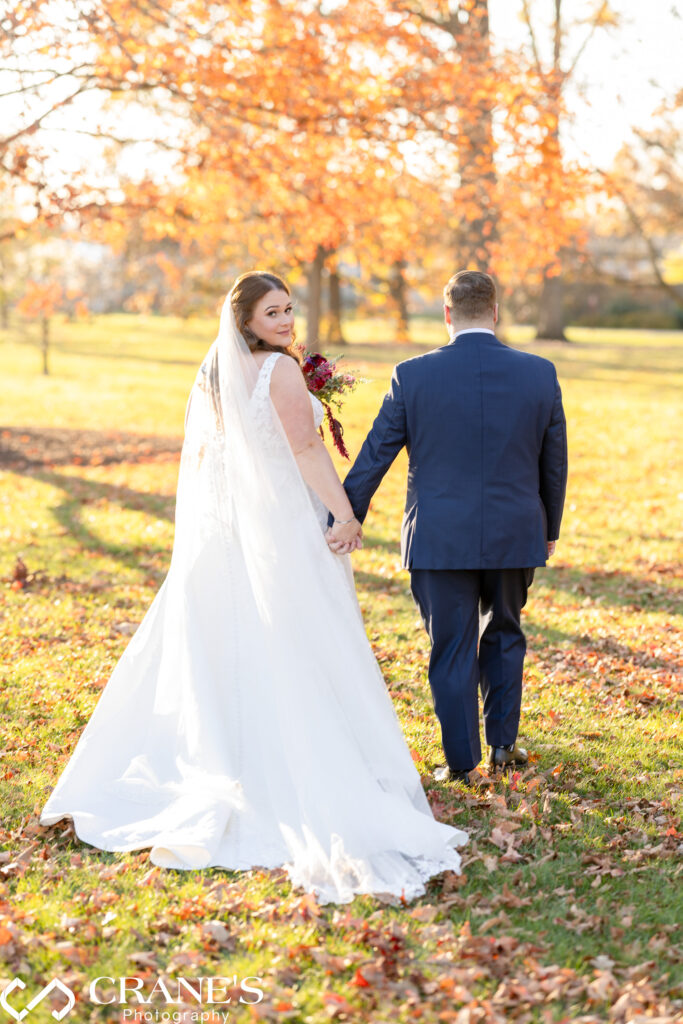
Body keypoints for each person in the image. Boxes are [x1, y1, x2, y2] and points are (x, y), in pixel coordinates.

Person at [40, 271, 467, 905]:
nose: (287, 322)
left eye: (289, 310)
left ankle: (236, 761)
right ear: (245, 322)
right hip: (286, 526)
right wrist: (344, 515)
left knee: (242, 649)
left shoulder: (215, 372)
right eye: (273, 313)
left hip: (235, 532)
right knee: (303, 642)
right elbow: (304, 450)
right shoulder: (281, 373)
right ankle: (297, 769)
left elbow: (216, 459)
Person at [334, 271, 568, 784]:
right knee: (506, 633)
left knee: (451, 645)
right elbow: (554, 461)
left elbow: (376, 454)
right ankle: (503, 746)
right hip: (515, 531)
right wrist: (549, 526)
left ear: (447, 314)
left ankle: (461, 762)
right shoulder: (539, 372)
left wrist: (343, 518)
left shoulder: (412, 375)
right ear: (496, 311)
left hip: (438, 536)